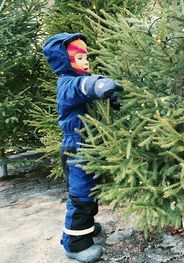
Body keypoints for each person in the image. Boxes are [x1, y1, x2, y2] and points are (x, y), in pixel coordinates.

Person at [43, 33, 124, 262]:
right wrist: (99, 83)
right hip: (76, 147)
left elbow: (88, 94)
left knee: (90, 189)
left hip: (87, 145)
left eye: (86, 57)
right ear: (65, 61)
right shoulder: (67, 83)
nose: (85, 61)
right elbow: (83, 87)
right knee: (81, 195)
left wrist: (110, 97)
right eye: (79, 58)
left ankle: (85, 227)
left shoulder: (76, 79)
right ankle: (74, 243)